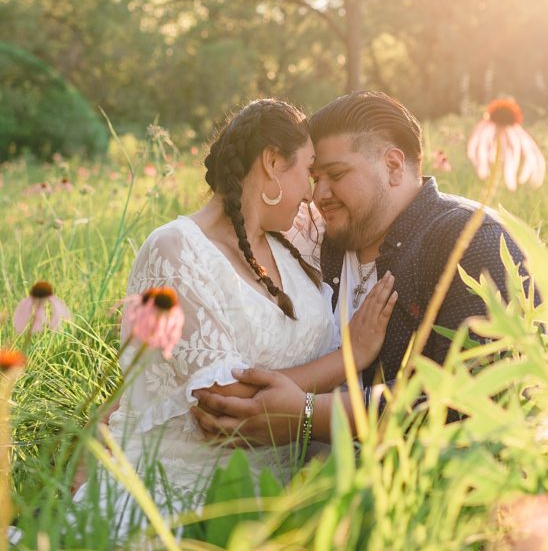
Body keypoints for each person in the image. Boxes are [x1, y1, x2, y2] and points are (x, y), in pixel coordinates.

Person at [75, 99, 396, 538]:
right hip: (184, 498)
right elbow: (224, 400)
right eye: (307, 171)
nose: (311, 193)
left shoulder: (290, 243)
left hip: (284, 496)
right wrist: (351, 355)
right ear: (271, 162)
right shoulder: (173, 249)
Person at [191, 90, 532, 446]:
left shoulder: (470, 240)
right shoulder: (312, 239)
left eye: (336, 174)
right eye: (313, 177)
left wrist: (307, 416)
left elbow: (480, 394)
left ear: (394, 166)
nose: (318, 195)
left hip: (413, 488)